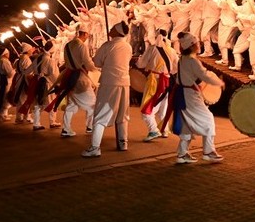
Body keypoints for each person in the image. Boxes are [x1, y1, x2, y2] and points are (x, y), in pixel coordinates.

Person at [163, 32, 225, 164]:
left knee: (186, 126)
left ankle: (182, 154)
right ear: (192, 46)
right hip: (190, 96)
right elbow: (205, 75)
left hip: (183, 95)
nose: (199, 44)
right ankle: (208, 151)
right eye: (197, 43)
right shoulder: (192, 61)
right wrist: (219, 82)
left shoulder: (182, 60)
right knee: (208, 120)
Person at [81, 21, 133, 157]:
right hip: (125, 83)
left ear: (117, 31)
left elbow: (97, 62)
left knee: (100, 115)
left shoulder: (108, 45)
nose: (110, 29)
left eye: (112, 28)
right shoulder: (128, 46)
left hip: (110, 82)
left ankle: (95, 147)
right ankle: (123, 142)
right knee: (122, 115)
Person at [136, 29, 178, 142]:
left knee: (147, 109)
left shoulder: (152, 49)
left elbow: (141, 64)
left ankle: (153, 130)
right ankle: (164, 130)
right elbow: (175, 69)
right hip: (167, 81)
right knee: (162, 108)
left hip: (155, 82)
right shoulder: (172, 51)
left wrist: (139, 61)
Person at [59, 23, 98, 137]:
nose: (87, 37)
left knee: (71, 105)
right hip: (80, 79)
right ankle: (90, 127)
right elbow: (87, 62)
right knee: (93, 105)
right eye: (87, 35)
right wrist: (97, 69)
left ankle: (66, 129)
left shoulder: (67, 45)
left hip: (69, 77)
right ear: (85, 34)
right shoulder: (81, 46)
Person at [31, 40, 61, 131]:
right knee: (50, 102)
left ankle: (44, 122)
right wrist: (58, 84)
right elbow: (53, 74)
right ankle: (47, 122)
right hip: (47, 83)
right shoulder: (50, 60)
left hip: (37, 81)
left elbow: (30, 69)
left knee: (39, 102)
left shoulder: (37, 58)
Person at [0, 47, 15, 121]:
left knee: (3, 95)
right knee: (5, 96)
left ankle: (4, 114)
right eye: (8, 53)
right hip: (4, 80)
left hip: (0, 79)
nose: (9, 54)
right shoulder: (4, 61)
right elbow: (10, 73)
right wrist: (14, 70)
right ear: (5, 54)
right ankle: (2, 115)